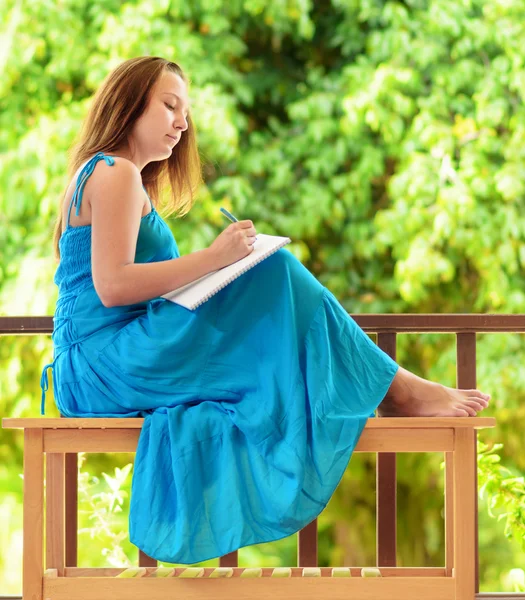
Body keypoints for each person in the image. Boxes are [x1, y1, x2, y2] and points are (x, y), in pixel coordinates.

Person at [40, 56, 490, 565]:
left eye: (186, 112)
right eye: (169, 106)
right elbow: (114, 286)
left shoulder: (111, 174)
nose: (182, 123)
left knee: (269, 276)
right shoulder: (115, 171)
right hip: (101, 363)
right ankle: (398, 389)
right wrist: (214, 259)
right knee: (274, 274)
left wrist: (219, 271)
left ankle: (391, 388)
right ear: (128, 104)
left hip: (105, 359)